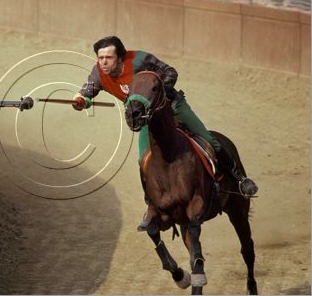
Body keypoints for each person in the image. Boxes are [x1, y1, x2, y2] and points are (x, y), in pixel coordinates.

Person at [72, 36, 258, 217]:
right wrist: (81, 100)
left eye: (108, 58)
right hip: (148, 119)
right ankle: (152, 204)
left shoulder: (138, 60)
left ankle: (240, 180)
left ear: (120, 57)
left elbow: (170, 72)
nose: (103, 62)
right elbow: (88, 90)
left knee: (210, 141)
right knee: (143, 160)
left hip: (173, 107)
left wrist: (159, 93)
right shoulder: (98, 72)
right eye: (101, 57)